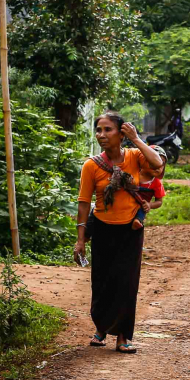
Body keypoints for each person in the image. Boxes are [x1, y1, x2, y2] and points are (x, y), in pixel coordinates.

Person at [74, 112, 163, 354]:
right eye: (99, 130)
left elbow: (157, 164)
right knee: (102, 282)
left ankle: (123, 336)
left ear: (121, 133)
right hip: (102, 228)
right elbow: (84, 203)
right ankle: (102, 327)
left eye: (108, 130)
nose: (101, 135)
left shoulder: (135, 157)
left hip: (130, 230)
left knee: (127, 283)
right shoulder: (91, 165)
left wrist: (136, 139)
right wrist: (80, 240)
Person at [131, 145, 167, 231]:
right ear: (143, 160)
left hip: (140, 206)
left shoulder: (156, 183)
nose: (158, 167)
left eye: (162, 164)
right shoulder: (133, 174)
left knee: (141, 210)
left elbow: (159, 201)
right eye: (154, 162)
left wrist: (149, 205)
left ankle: (137, 221)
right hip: (126, 205)